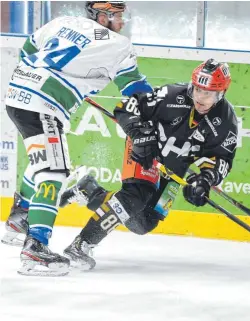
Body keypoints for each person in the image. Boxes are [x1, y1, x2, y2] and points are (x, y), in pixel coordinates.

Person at [2, 1, 152, 276]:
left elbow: (28, 51)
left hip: (17, 93)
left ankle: (20, 214)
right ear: (102, 16)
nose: (122, 21)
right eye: (117, 15)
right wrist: (151, 112)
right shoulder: (119, 45)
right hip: (43, 104)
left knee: (47, 159)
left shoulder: (61, 22)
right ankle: (35, 247)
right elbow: (135, 88)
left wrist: (60, 81)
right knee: (54, 171)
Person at [60, 58, 239, 270]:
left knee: (143, 222)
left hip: (173, 168)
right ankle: (81, 244)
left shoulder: (226, 122)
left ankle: (91, 192)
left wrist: (204, 180)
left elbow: (221, 159)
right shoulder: (171, 95)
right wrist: (140, 136)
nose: (200, 97)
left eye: (207, 93)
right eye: (197, 89)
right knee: (136, 196)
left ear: (221, 94)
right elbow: (125, 107)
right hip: (145, 150)